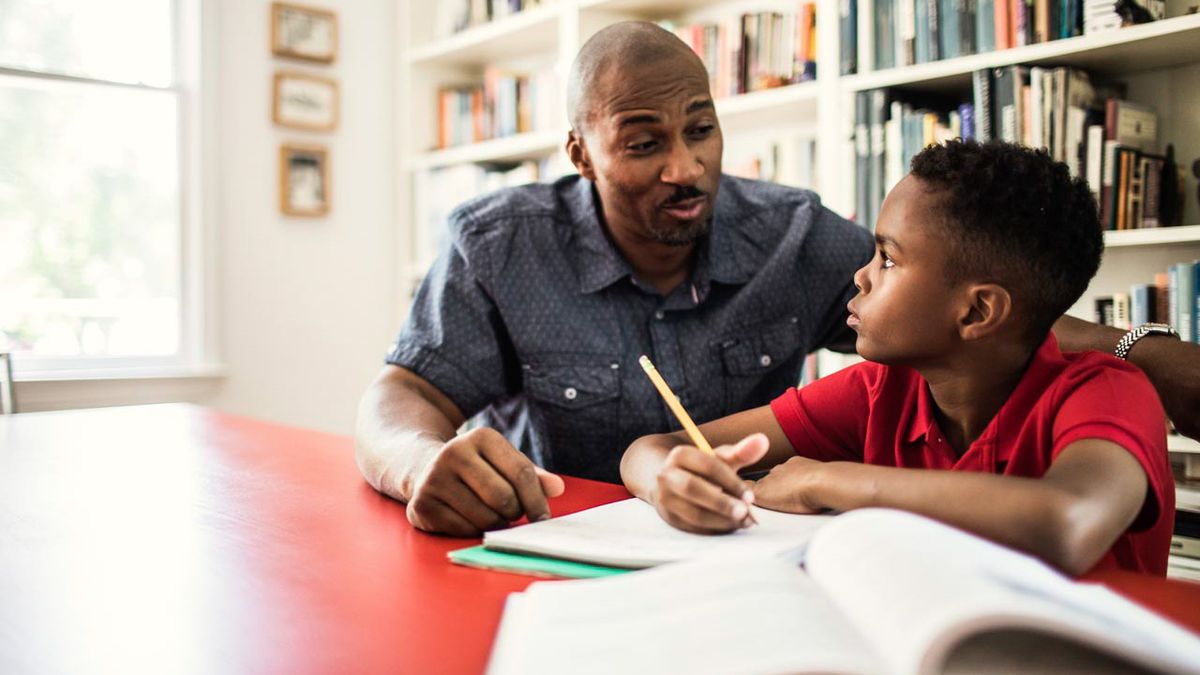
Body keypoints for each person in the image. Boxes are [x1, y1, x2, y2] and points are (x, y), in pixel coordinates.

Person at [357, 20, 1200, 538]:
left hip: (743, 553)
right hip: (557, 549)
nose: (686, 168)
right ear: (581, 153)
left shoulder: (794, 238)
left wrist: (1144, 352)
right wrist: (415, 463)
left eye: (702, 129)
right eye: (645, 143)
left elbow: (986, 317)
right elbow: (402, 397)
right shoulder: (498, 243)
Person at [622, 140, 1175, 575]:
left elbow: (1065, 522)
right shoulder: (879, 391)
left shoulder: (1109, 391)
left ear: (978, 311)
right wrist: (666, 481)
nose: (860, 276)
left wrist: (828, 481)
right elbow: (652, 448)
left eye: (887, 258)